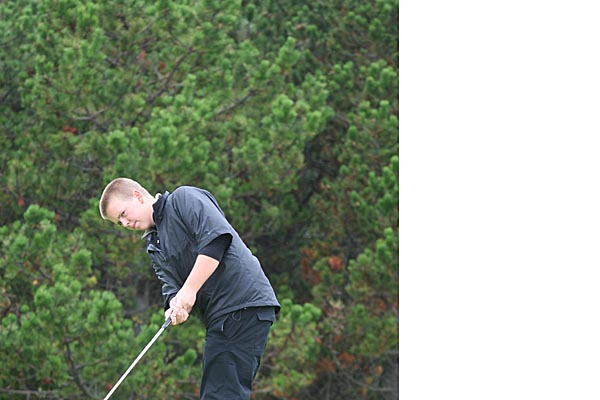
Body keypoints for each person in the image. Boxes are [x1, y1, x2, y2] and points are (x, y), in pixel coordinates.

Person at [99, 177, 280, 399]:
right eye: (119, 222)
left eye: (123, 214)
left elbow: (216, 241)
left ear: (138, 196)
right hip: (220, 316)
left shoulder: (183, 199)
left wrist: (189, 290)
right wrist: (175, 305)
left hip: (243, 304)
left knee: (220, 395)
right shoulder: (154, 245)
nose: (125, 223)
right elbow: (171, 287)